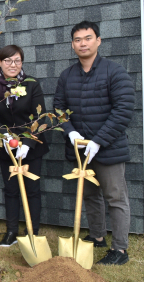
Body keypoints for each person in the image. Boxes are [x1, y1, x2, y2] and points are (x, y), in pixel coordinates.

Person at [54, 20, 135, 265]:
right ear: (72, 44)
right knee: (89, 195)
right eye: (77, 40)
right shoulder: (67, 75)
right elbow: (58, 109)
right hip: (81, 152)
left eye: (88, 38)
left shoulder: (114, 71)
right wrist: (70, 132)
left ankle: (120, 250)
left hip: (109, 149)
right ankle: (98, 236)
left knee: (115, 198)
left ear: (98, 40)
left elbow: (123, 110)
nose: (83, 43)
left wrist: (98, 141)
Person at [0, 45, 49, 247]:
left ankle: (32, 232)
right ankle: (11, 231)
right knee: (11, 189)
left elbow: (41, 117)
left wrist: (28, 143)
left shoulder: (32, 85)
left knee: (32, 190)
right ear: (0, 63)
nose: (13, 65)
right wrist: (3, 136)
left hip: (32, 145)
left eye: (17, 60)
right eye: (8, 61)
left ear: (22, 62)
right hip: (6, 147)